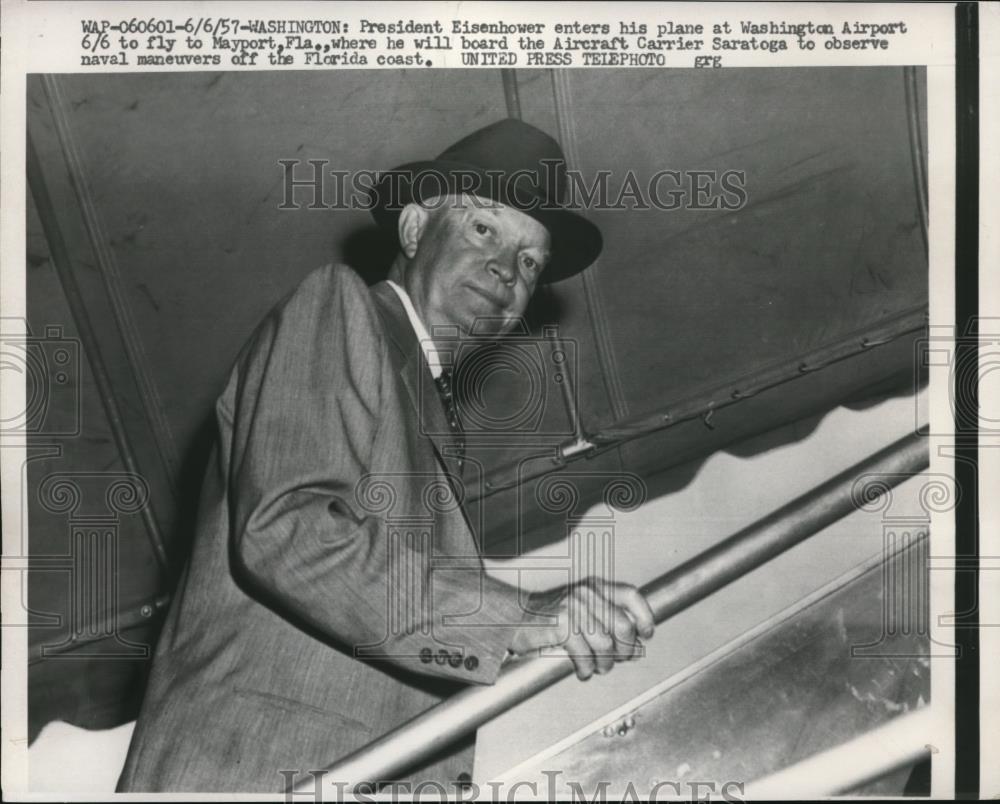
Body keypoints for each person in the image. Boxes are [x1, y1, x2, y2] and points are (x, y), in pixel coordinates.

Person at [117, 118, 655, 793]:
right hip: (252, 766)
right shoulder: (340, 306)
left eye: (528, 262)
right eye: (485, 230)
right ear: (412, 231)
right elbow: (289, 528)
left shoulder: (433, 413)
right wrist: (518, 618)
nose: (505, 269)